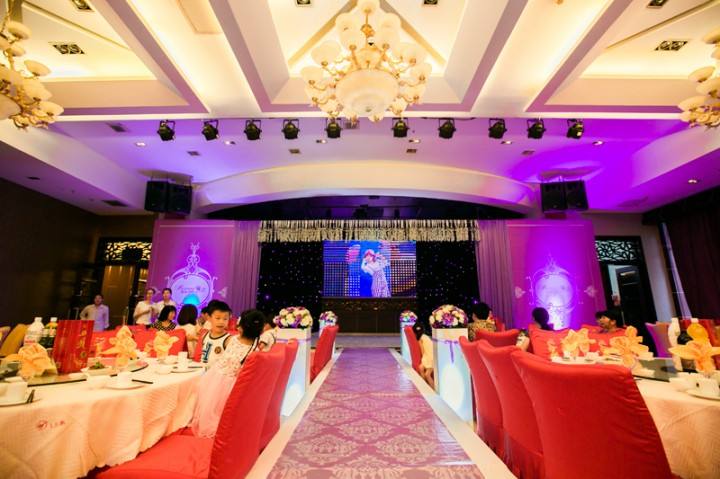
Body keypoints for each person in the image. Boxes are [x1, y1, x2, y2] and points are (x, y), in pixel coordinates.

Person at [190, 309, 265, 438]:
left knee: (209, 408)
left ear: (240, 328)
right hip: (231, 384)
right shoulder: (255, 351)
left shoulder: (233, 339)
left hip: (216, 380)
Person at [198, 301, 232, 366]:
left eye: (225, 319)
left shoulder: (229, 339)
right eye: (217, 318)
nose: (221, 322)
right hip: (202, 370)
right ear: (209, 318)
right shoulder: (205, 336)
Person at [413, 322, 434, 389]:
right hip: (431, 356)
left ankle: (431, 388)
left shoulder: (420, 339)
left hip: (429, 358)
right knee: (421, 368)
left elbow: (423, 351)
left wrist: (423, 360)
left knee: (427, 374)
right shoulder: (425, 336)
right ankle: (425, 387)